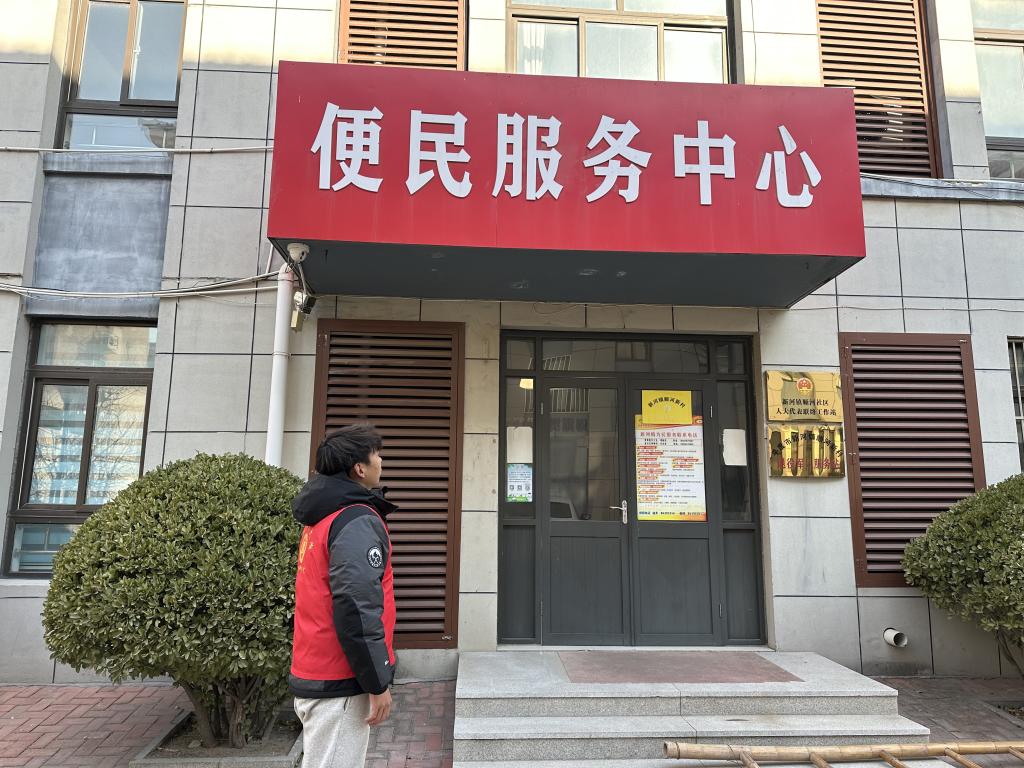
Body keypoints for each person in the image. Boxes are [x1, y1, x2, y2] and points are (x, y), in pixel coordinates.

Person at [289, 423, 397, 768]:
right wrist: (377, 682)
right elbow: (356, 607)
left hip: (317, 667)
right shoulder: (355, 520)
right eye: (377, 454)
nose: (382, 461)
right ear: (359, 468)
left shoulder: (322, 517)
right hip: (340, 679)